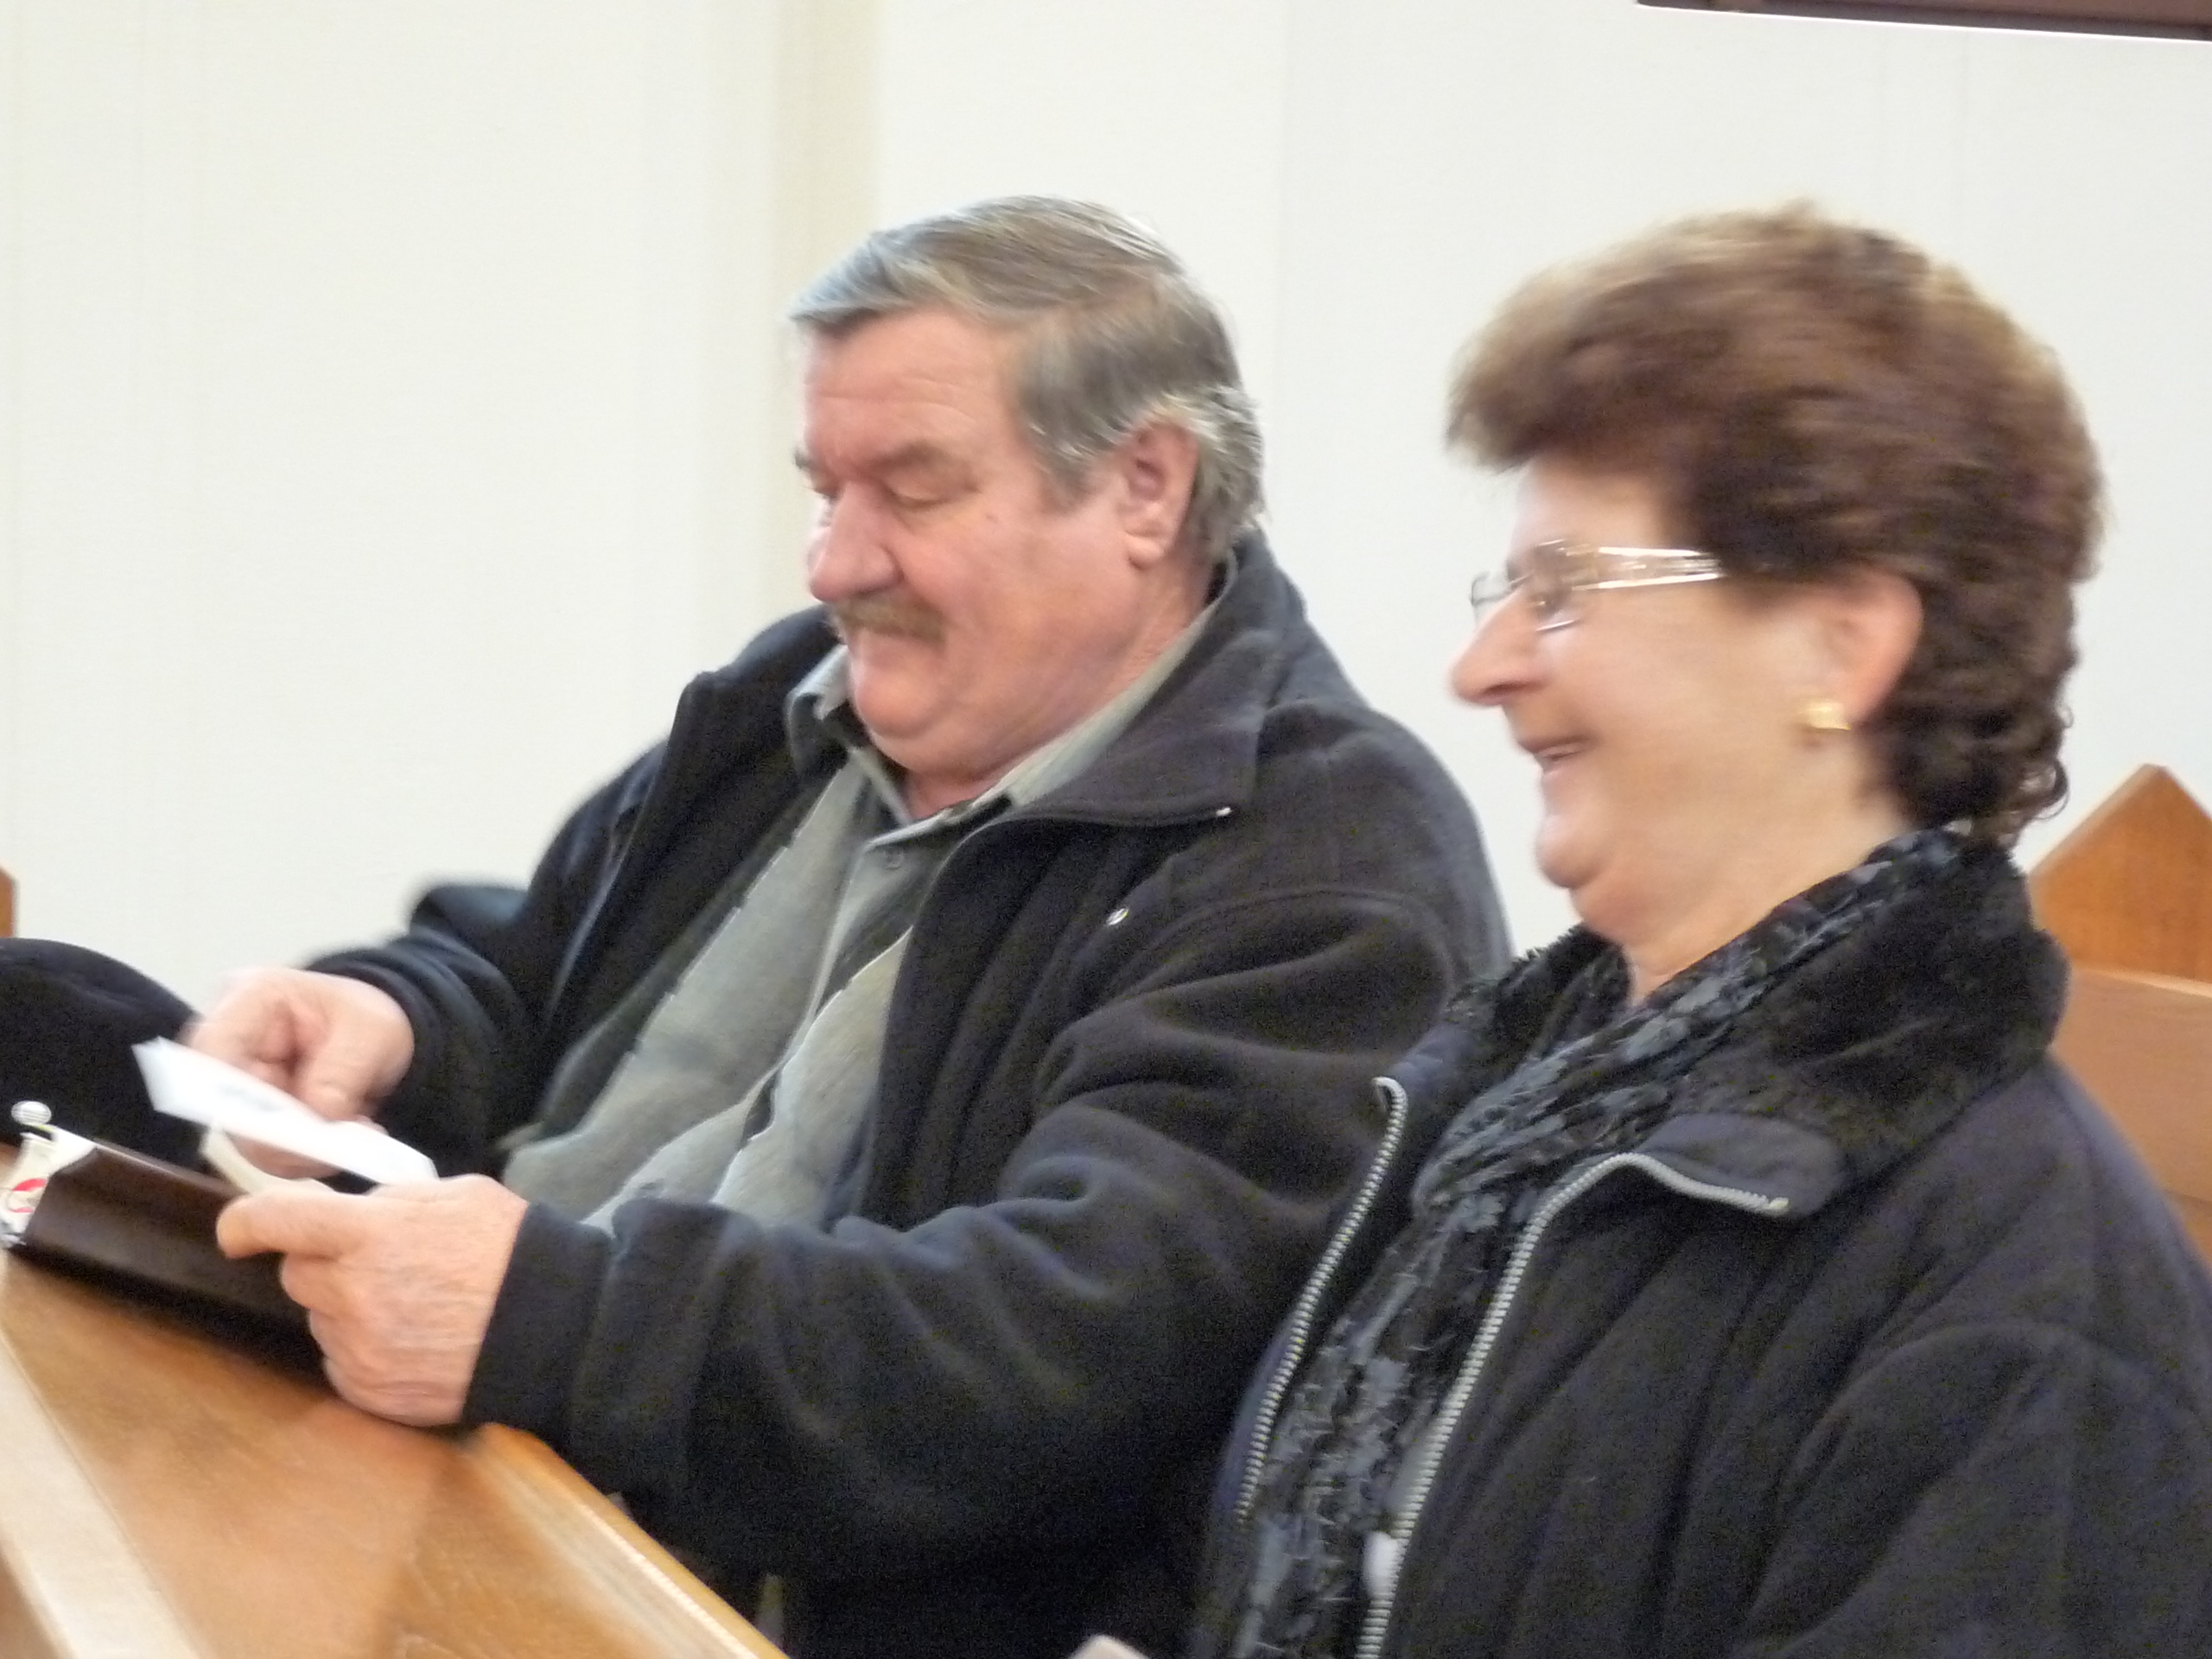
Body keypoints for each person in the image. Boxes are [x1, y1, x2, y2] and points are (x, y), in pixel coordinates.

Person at [172, 197, 1507, 1659]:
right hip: (454, 1489)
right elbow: (542, 971)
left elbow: (1056, 1353)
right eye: (825, 491)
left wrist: (567, 1323)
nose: (833, 566)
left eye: (913, 492)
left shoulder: (1325, 865)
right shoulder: (795, 696)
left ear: (1145, 486)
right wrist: (398, 1021)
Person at [1177, 206, 2212, 1659]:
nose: (1480, 667)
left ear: (1841, 646)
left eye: (1562, 591)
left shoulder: (2024, 1292)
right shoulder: (1509, 1118)